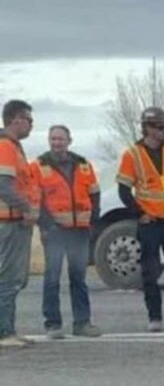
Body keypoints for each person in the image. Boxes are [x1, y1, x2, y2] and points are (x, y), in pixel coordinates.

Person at [116, 106, 164, 332]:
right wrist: (139, 213)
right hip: (150, 222)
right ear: (146, 128)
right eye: (158, 127)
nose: (162, 131)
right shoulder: (132, 154)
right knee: (150, 272)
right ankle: (155, 318)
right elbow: (123, 190)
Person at [32, 125, 102, 339]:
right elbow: (35, 199)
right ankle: (53, 325)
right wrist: (46, 225)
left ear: (69, 140)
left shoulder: (83, 164)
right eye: (53, 139)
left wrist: (93, 220)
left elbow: (95, 195)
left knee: (78, 278)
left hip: (79, 230)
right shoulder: (38, 166)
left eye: (60, 139)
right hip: (54, 231)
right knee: (52, 278)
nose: (56, 143)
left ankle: (82, 323)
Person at [0, 99, 40, 349]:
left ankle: (8, 329)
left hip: (16, 222)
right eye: (29, 120)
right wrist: (25, 208)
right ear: (15, 119)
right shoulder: (6, 146)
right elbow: (3, 184)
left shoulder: (14, 147)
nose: (31, 125)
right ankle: (4, 332)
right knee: (9, 277)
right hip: (10, 222)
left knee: (15, 278)